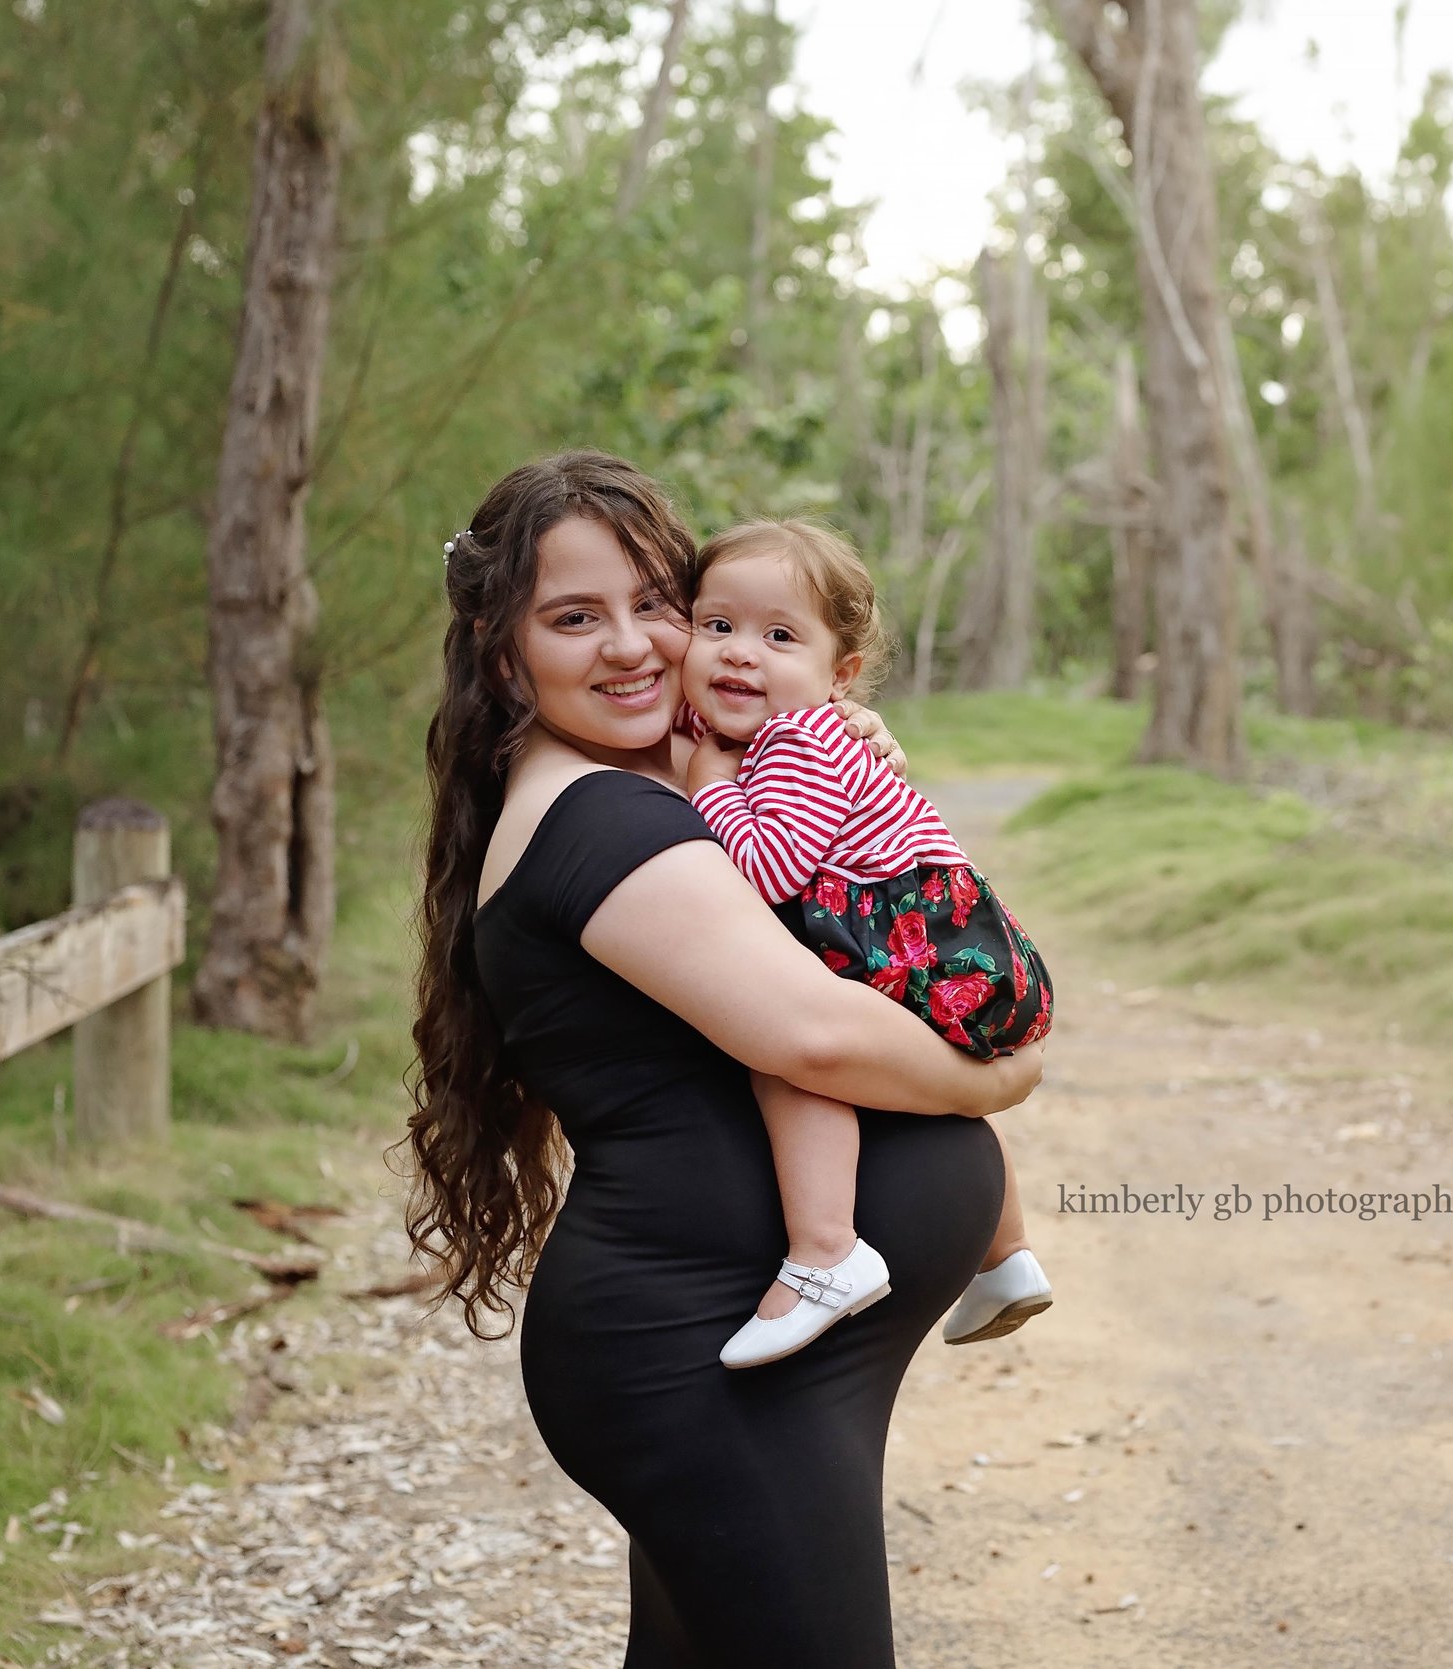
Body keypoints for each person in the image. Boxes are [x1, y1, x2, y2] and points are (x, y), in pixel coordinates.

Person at [401, 450, 1044, 1667]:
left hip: (733, 1350)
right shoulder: (601, 819)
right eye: (575, 617)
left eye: (657, 603)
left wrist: (823, 730)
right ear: (503, 655)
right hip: (696, 1353)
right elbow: (807, 1032)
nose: (635, 646)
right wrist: (1000, 1080)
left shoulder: (622, 790)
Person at [677, 517, 1055, 1369]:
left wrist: (708, 784)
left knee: (784, 1055)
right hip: (933, 946)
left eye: (779, 636)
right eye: (717, 626)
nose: (741, 652)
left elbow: (771, 867)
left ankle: (826, 1252)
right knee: (910, 1086)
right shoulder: (790, 729)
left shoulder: (803, 739)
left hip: (917, 947)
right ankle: (1005, 1255)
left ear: (837, 673)